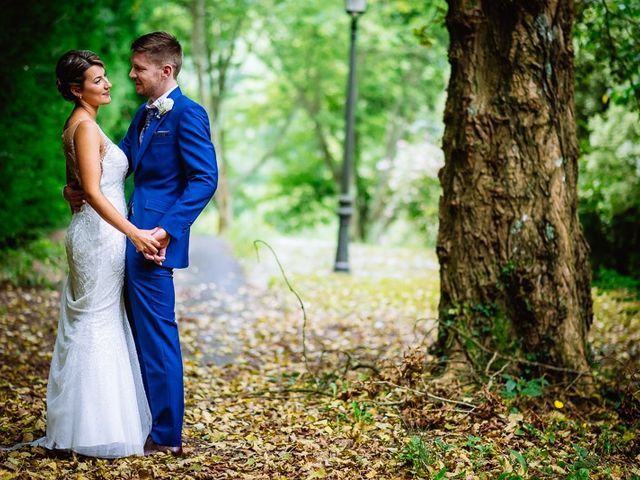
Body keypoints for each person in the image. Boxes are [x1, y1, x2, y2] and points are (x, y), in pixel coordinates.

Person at [65, 32, 218, 456]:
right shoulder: (144, 114)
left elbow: (205, 178)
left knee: (156, 337)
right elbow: (117, 163)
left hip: (153, 243)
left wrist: (166, 230)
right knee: (130, 336)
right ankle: (136, 419)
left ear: (165, 70)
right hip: (121, 239)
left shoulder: (189, 114)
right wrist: (75, 187)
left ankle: (167, 436)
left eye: (138, 68)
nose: (130, 74)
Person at [35, 49, 157, 458]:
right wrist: (134, 233)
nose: (107, 84)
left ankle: (81, 426)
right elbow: (90, 189)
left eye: (105, 78)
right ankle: (91, 430)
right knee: (95, 323)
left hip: (95, 232)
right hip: (100, 237)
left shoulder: (79, 125)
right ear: (76, 89)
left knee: (94, 320)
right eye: (97, 80)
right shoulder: (85, 128)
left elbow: (76, 186)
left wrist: (68, 192)